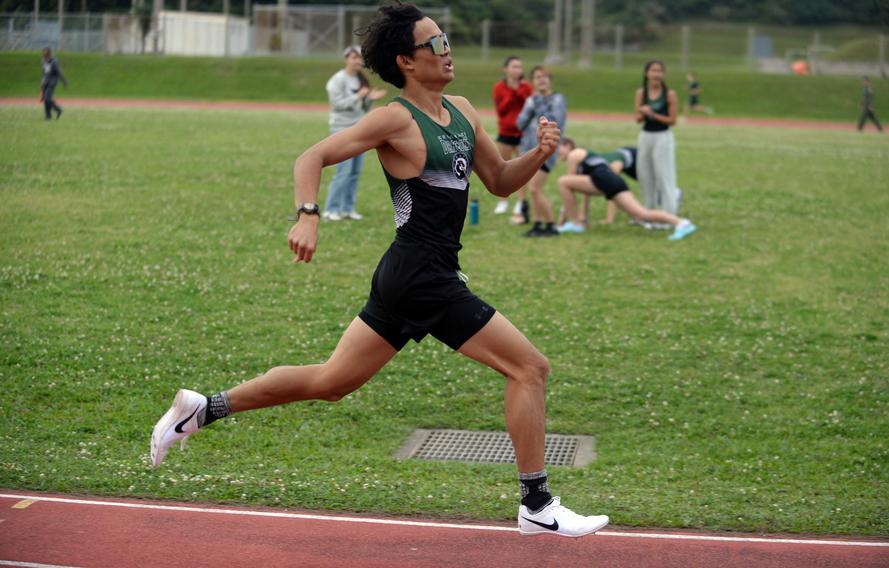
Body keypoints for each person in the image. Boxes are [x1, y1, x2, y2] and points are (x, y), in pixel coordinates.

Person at [150, 2, 609, 539]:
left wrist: (538, 154)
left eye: (446, 39)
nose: (447, 49)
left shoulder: (461, 109)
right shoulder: (395, 117)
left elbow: (501, 181)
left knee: (330, 382)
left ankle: (204, 408)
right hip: (421, 276)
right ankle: (537, 504)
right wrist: (308, 216)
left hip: (410, 273)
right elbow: (312, 157)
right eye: (435, 43)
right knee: (529, 369)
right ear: (407, 62)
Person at [555, 138, 696, 241]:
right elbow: (584, 193)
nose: (556, 153)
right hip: (613, 181)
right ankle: (682, 223)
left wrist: (565, 220)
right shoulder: (583, 161)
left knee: (563, 181)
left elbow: (570, 183)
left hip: (604, 179)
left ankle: (576, 224)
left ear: (568, 145)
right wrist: (583, 219)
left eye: (558, 149)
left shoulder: (575, 154)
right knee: (640, 214)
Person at [323, 45, 388, 221]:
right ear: (346, 59)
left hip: (359, 129)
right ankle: (331, 210)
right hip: (342, 129)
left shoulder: (361, 79)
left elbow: (362, 106)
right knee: (343, 171)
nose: (357, 61)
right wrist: (358, 96)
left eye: (360, 58)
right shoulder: (337, 80)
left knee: (355, 172)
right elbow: (337, 104)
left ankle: (347, 209)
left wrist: (369, 99)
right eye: (354, 57)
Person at [516, 65, 566, 237]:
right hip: (529, 149)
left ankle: (551, 225)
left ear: (549, 79)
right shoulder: (531, 101)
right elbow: (520, 123)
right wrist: (533, 105)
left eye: (544, 76)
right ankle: (538, 224)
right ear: (533, 81)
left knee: (536, 188)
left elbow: (554, 120)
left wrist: (538, 104)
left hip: (547, 150)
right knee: (533, 188)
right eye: (537, 77)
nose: (541, 80)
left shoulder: (558, 99)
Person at [635, 60, 679, 217]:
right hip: (646, 136)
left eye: (659, 71)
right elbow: (637, 118)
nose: (656, 74)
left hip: (663, 137)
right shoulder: (642, 93)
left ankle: (669, 213)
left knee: (664, 175)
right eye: (653, 71)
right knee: (645, 174)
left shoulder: (669, 94)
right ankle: (649, 212)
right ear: (646, 74)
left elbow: (673, 120)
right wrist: (643, 113)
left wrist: (653, 114)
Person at [491, 55, 532, 223]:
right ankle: (503, 201)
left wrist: (519, 92)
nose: (517, 70)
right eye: (514, 67)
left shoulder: (527, 88)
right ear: (506, 69)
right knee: (503, 168)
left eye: (519, 67)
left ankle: (521, 202)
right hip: (505, 132)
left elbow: (529, 107)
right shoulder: (499, 88)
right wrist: (512, 94)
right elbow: (501, 110)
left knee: (522, 169)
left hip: (522, 134)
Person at [39, 47, 67, 121]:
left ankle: (58, 110)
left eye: (45, 51)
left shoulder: (54, 61)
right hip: (45, 82)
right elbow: (44, 73)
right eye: (43, 51)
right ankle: (48, 116)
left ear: (49, 52)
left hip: (52, 82)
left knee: (47, 98)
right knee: (45, 99)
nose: (43, 53)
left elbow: (59, 72)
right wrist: (42, 83)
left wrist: (64, 82)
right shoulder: (43, 61)